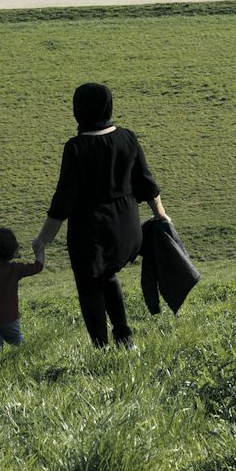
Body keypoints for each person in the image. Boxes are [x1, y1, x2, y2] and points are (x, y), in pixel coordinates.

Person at [32, 83, 165, 349]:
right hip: (127, 230)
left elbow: (64, 200)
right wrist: (161, 216)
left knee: (90, 287)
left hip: (91, 233)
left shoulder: (76, 147)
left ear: (78, 110)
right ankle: (125, 338)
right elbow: (147, 183)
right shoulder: (128, 137)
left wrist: (43, 239)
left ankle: (101, 349)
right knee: (107, 275)